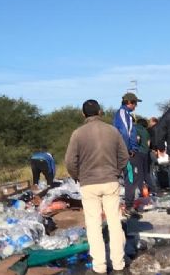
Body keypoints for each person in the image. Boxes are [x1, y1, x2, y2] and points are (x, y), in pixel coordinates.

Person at [65, 99, 128, 274]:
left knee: (93, 225)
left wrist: (78, 176)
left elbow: (70, 161)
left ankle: (99, 266)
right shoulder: (113, 131)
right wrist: (116, 172)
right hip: (110, 181)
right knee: (115, 222)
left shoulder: (78, 134)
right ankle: (118, 264)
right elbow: (124, 156)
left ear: (83, 114)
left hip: (88, 184)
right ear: (100, 112)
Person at [114, 92, 142, 216]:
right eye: (135, 103)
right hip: (126, 153)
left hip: (122, 151)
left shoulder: (125, 114)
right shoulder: (123, 114)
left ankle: (126, 205)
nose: (136, 106)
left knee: (128, 179)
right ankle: (129, 206)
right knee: (130, 178)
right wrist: (129, 149)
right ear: (129, 103)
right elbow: (125, 132)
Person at [135, 118, 155, 196]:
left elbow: (137, 139)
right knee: (146, 172)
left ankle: (141, 190)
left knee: (139, 173)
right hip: (146, 153)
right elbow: (148, 143)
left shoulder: (136, 129)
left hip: (138, 152)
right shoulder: (146, 131)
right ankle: (152, 189)